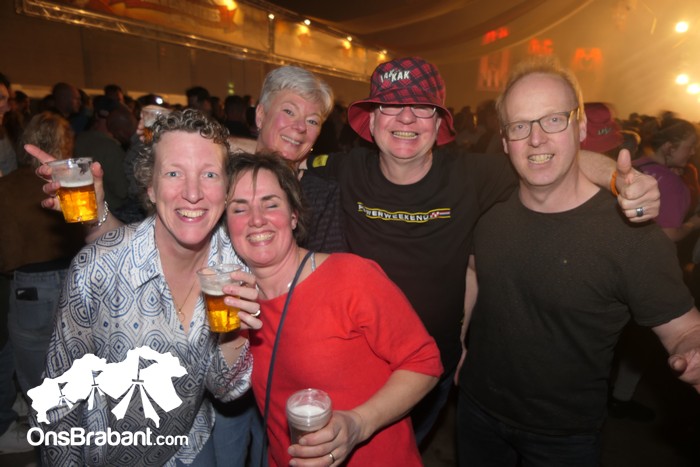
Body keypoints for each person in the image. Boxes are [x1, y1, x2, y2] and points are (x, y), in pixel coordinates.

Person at [305, 56, 662, 444]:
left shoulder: (472, 175)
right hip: (356, 362)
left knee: (407, 451)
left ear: (438, 125)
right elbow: (281, 161)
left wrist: (622, 181)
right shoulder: (343, 168)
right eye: (391, 106)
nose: (406, 117)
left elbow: (562, 160)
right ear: (372, 122)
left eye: (422, 107)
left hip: (431, 368)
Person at [456, 57, 700, 466]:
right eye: (520, 126)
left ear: (580, 127)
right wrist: (458, 341)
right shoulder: (489, 208)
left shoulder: (631, 235)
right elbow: (473, 270)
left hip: (562, 436)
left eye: (553, 120)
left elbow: (684, 328)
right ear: (505, 140)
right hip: (476, 410)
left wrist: (693, 349)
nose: (536, 139)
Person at [28, 109, 261, 466]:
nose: (193, 193)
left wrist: (235, 335)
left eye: (209, 174)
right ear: (150, 187)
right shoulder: (98, 268)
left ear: (227, 190)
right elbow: (59, 401)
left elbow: (225, 389)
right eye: (173, 173)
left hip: (189, 447)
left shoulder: (236, 267)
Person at [225, 152, 442, 466]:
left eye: (271, 204)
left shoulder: (350, 276)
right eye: (239, 208)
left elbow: (425, 362)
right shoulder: (234, 303)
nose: (256, 219)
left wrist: (359, 423)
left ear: (294, 216)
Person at [633, 118, 700, 243]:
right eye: (690, 147)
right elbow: (669, 235)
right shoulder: (671, 182)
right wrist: (692, 224)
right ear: (669, 147)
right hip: (649, 250)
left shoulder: (633, 165)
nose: (693, 152)